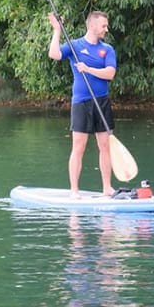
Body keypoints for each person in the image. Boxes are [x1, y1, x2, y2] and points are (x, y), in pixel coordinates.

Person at [47, 11, 117, 199]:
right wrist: (57, 30)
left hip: (101, 101)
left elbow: (110, 73)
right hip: (81, 103)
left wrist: (88, 69)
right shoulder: (75, 45)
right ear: (92, 26)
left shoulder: (107, 49)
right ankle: (74, 191)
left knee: (105, 146)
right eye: (103, 26)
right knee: (79, 147)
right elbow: (54, 54)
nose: (106, 29)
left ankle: (107, 189)